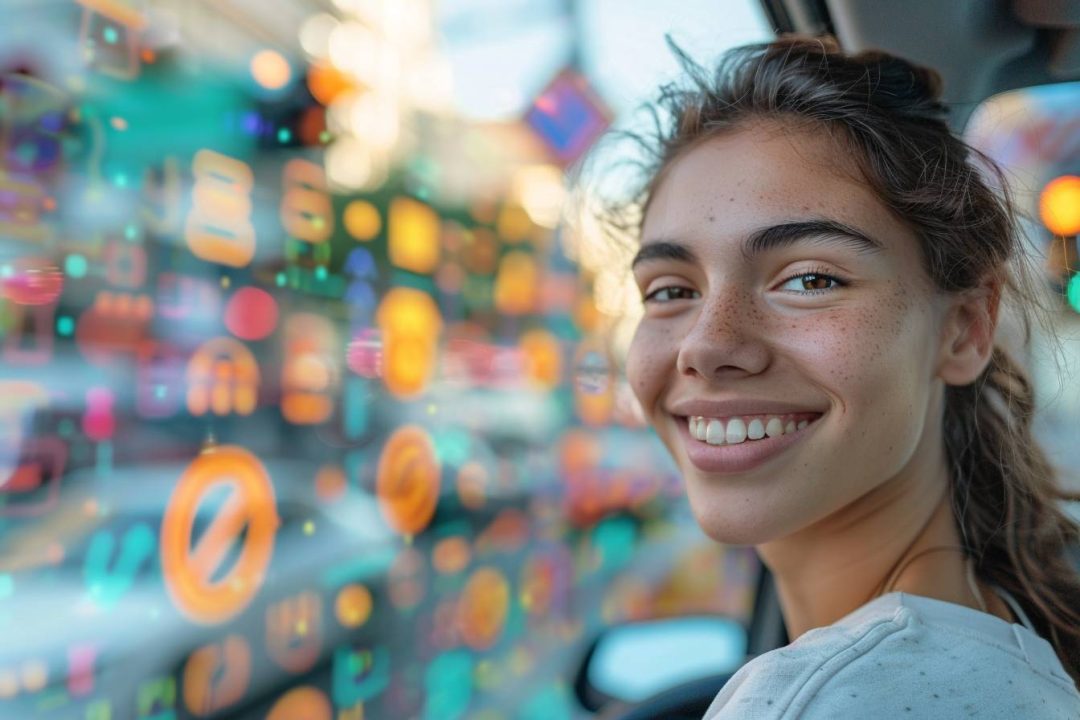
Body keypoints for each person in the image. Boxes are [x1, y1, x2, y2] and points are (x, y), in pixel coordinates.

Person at [614, 35, 1080, 717]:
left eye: (809, 278)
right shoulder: (1004, 637)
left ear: (965, 329)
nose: (707, 345)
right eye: (668, 290)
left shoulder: (814, 702)